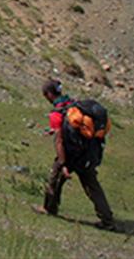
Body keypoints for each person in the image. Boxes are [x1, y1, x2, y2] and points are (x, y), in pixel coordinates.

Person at [39, 80, 116, 231]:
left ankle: (49, 208)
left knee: (55, 178)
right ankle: (107, 220)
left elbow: (60, 141)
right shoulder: (74, 105)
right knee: (92, 186)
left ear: (48, 94)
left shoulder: (56, 113)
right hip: (87, 153)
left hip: (70, 155)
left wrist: (63, 163)